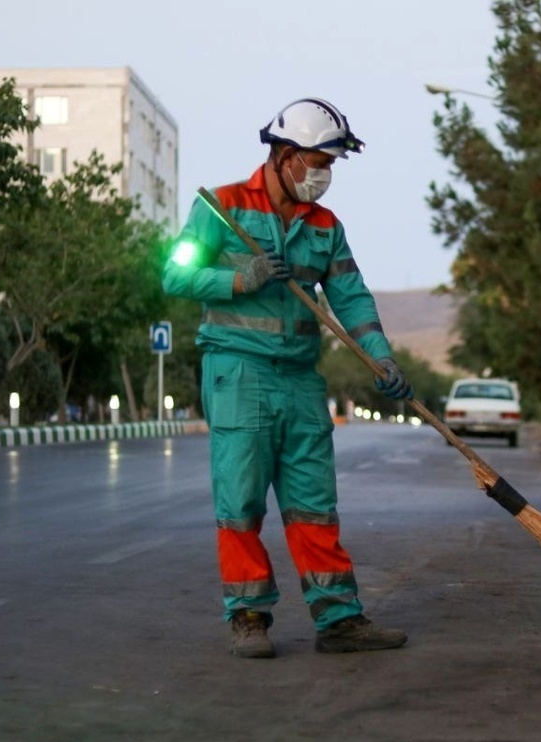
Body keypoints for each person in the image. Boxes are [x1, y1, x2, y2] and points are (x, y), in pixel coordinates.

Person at [162, 97, 413, 658]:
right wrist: (239, 278)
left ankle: (339, 619)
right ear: (283, 155)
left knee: (313, 505)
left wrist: (381, 358)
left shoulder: (326, 227)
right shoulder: (222, 207)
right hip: (239, 370)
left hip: (301, 378)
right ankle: (249, 616)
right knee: (241, 500)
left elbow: (352, 298)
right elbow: (175, 274)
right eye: (317, 161)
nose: (323, 175)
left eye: (330, 164)